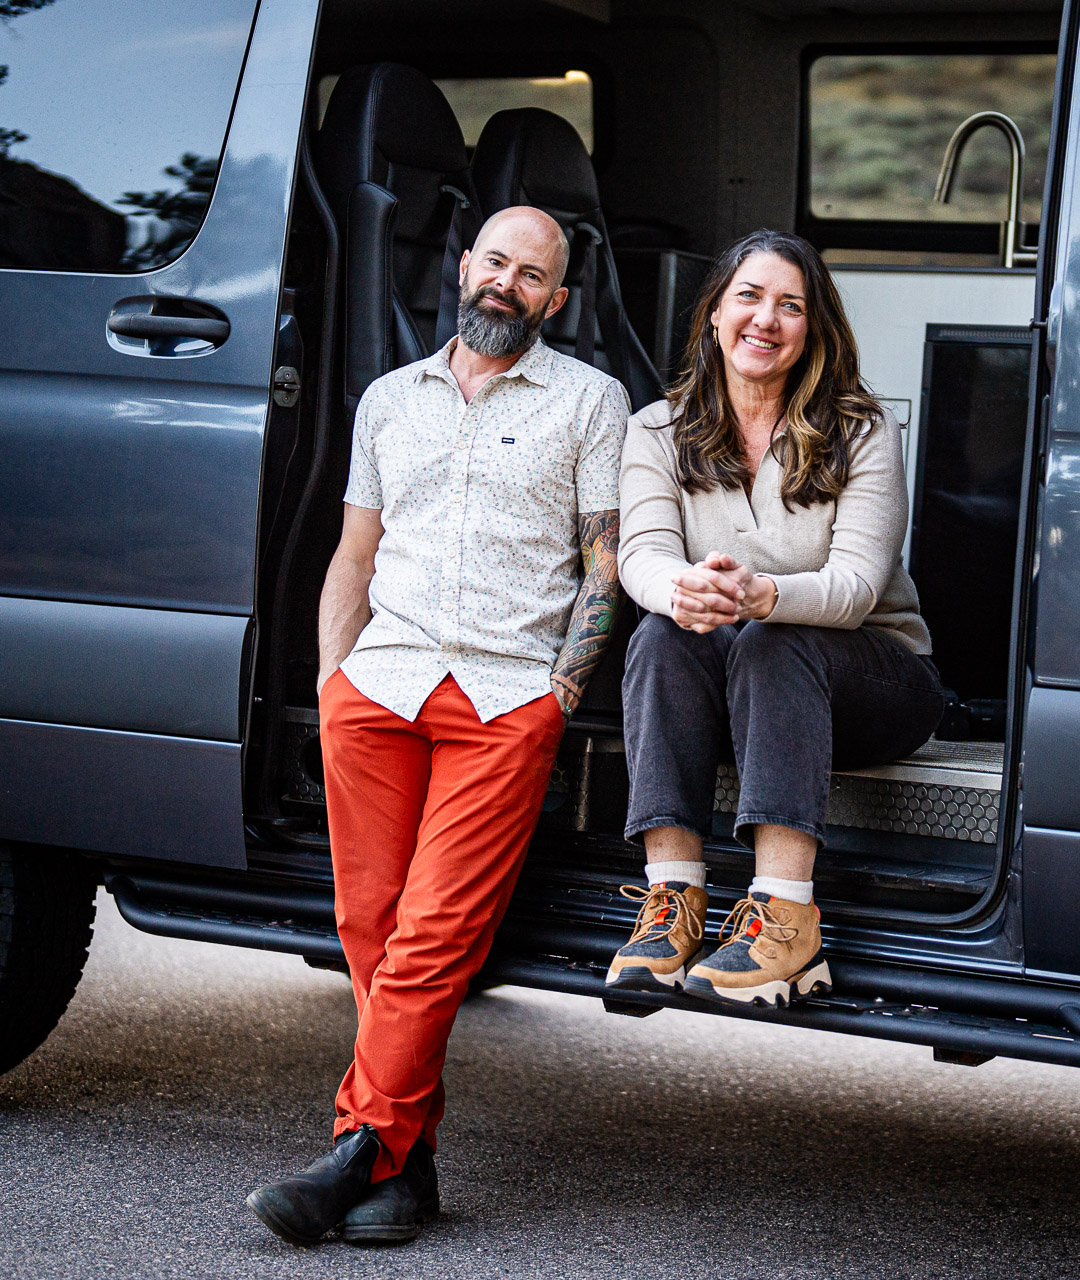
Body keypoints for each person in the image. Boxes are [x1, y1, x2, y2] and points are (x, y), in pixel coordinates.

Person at [248, 206, 629, 1246]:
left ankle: (354, 1151)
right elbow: (354, 553)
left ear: (557, 298)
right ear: (464, 268)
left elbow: (604, 563)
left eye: (532, 274)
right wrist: (333, 679)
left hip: (506, 697)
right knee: (368, 926)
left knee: (431, 935)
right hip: (378, 687)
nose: (508, 282)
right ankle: (403, 1171)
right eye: (495, 261)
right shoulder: (388, 400)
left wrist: (557, 695)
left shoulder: (590, 401)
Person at [607, 229, 944, 1008]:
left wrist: (764, 597)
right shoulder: (656, 430)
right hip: (743, 687)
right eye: (749, 298)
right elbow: (643, 556)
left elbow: (856, 588)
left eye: (791, 305)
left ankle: (788, 917)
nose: (766, 319)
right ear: (715, 314)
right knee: (660, 633)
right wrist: (685, 590)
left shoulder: (863, 429)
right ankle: (672, 900)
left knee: (774, 640)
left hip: (876, 681)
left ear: (813, 328)